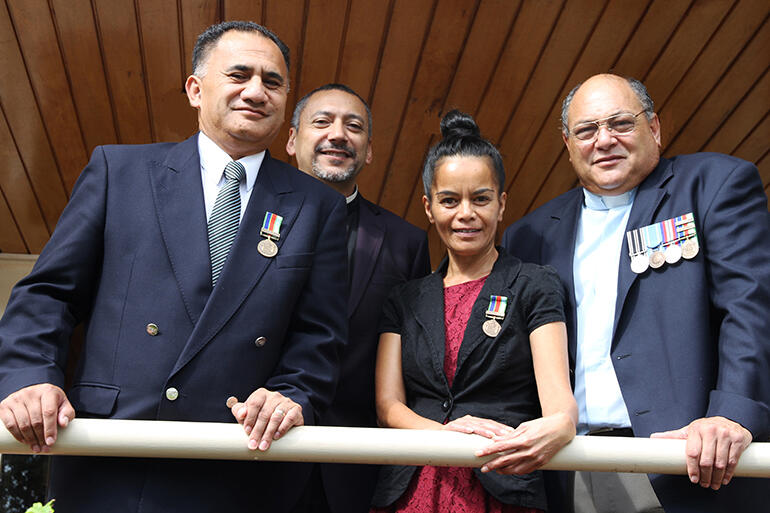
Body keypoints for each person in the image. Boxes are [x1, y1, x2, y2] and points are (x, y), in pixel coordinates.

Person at [0, 21, 348, 513]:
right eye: (239, 74)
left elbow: (321, 336)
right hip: (111, 456)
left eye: (273, 82)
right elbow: (48, 294)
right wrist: (31, 376)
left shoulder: (318, 207)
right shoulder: (117, 172)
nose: (256, 91)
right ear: (195, 88)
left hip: (238, 465)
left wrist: (292, 394)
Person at [503, 73, 770, 513]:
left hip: (688, 462)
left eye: (620, 124)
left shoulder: (712, 185)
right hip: (570, 466)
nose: (604, 140)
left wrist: (732, 414)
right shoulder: (528, 235)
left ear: (655, 128)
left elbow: (750, 309)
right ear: (568, 144)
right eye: (587, 130)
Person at [370, 110, 577, 513]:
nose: (466, 213)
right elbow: (388, 406)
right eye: (450, 200)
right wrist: (447, 435)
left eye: (480, 198)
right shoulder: (404, 297)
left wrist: (561, 423)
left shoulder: (534, 283)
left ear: (501, 205)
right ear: (429, 208)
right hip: (411, 486)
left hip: (502, 482)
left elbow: (559, 404)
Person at [285, 83, 431, 512]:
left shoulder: (406, 242)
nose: (338, 134)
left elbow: (416, 362)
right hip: (253, 456)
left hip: (357, 466)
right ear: (292, 140)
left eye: (354, 126)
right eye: (322, 121)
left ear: (368, 150)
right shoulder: (241, 218)